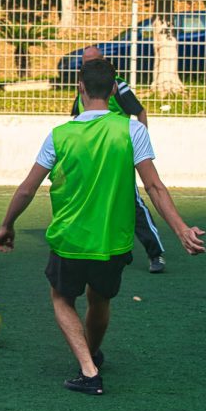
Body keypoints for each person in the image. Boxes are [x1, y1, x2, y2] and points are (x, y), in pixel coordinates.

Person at [0, 56, 206, 394]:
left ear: (80, 88)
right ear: (112, 90)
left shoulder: (60, 135)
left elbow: (27, 188)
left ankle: (89, 369)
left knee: (62, 298)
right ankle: (90, 353)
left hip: (71, 240)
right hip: (113, 242)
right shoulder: (131, 130)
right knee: (100, 300)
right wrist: (181, 229)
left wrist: (7, 224)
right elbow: (154, 187)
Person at [71, 46, 166, 273]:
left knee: (131, 202)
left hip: (116, 150)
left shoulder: (116, 85)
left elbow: (139, 111)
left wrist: (138, 143)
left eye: (93, 60)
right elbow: (77, 117)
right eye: (85, 62)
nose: (89, 65)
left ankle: (156, 254)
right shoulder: (84, 87)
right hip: (92, 153)